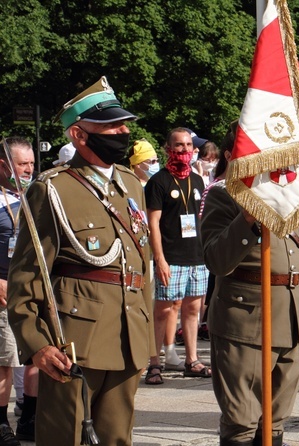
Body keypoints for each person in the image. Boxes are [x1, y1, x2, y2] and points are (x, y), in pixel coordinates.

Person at [7, 76, 154, 445]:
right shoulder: (52, 188)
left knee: (117, 436)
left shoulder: (131, 183)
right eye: (110, 126)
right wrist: (37, 343)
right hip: (75, 340)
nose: (122, 132)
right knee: (66, 436)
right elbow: (28, 272)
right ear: (79, 135)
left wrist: (145, 333)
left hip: (129, 334)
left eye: (122, 125)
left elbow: (140, 263)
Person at [200, 174, 299, 446]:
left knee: (276, 417)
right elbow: (217, 261)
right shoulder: (225, 195)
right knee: (242, 418)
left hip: (289, 320)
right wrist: (248, 219)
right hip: (247, 321)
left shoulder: (294, 192)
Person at [144, 128, 210, 384]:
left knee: (193, 309)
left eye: (188, 145)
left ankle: (191, 360)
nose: (184, 150)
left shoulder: (198, 180)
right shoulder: (158, 182)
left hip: (197, 255)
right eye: (178, 146)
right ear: (168, 149)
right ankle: (154, 363)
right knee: (164, 310)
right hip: (170, 257)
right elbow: (153, 223)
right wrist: (159, 259)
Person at [0, 137, 34, 446]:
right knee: (5, 360)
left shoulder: (35, 195)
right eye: (21, 164)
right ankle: (0, 423)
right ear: (3, 165)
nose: (28, 169)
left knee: (36, 353)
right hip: (3, 291)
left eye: (31, 164)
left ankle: (30, 418)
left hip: (33, 289)